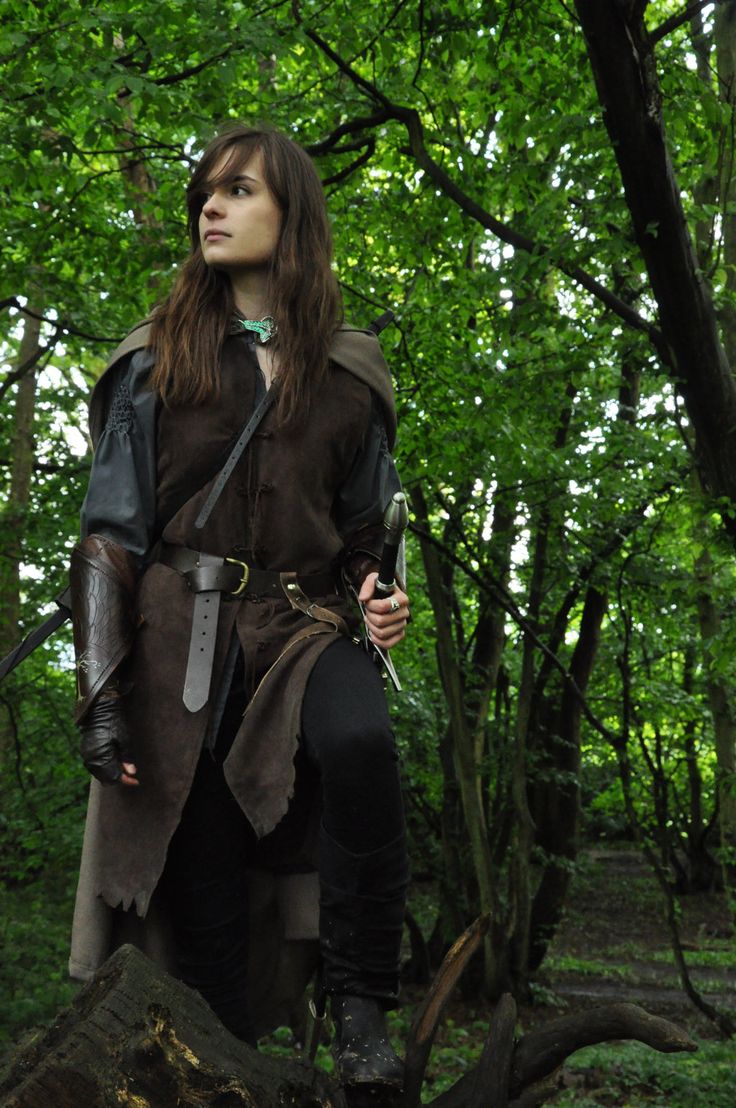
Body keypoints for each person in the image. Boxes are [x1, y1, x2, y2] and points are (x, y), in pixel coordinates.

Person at [68, 124, 410, 1091]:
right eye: (205, 195)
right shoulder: (153, 359)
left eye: (240, 191)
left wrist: (379, 594)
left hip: (304, 627)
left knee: (361, 745)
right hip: (177, 635)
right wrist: (98, 688)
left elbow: (362, 535)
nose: (211, 208)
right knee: (201, 859)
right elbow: (110, 533)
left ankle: (361, 1007)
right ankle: (234, 1068)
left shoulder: (350, 372)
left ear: (290, 213)